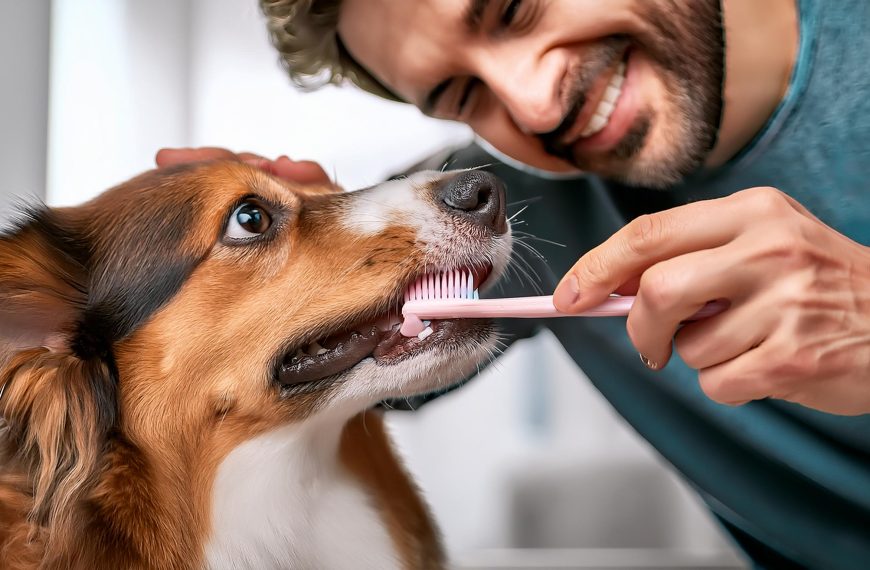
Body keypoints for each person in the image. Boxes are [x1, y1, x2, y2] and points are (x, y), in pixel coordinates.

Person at [157, 0, 870, 566]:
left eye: (515, 10)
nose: (536, 107)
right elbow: (351, 356)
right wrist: (318, 250)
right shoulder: (531, 196)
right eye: (464, 94)